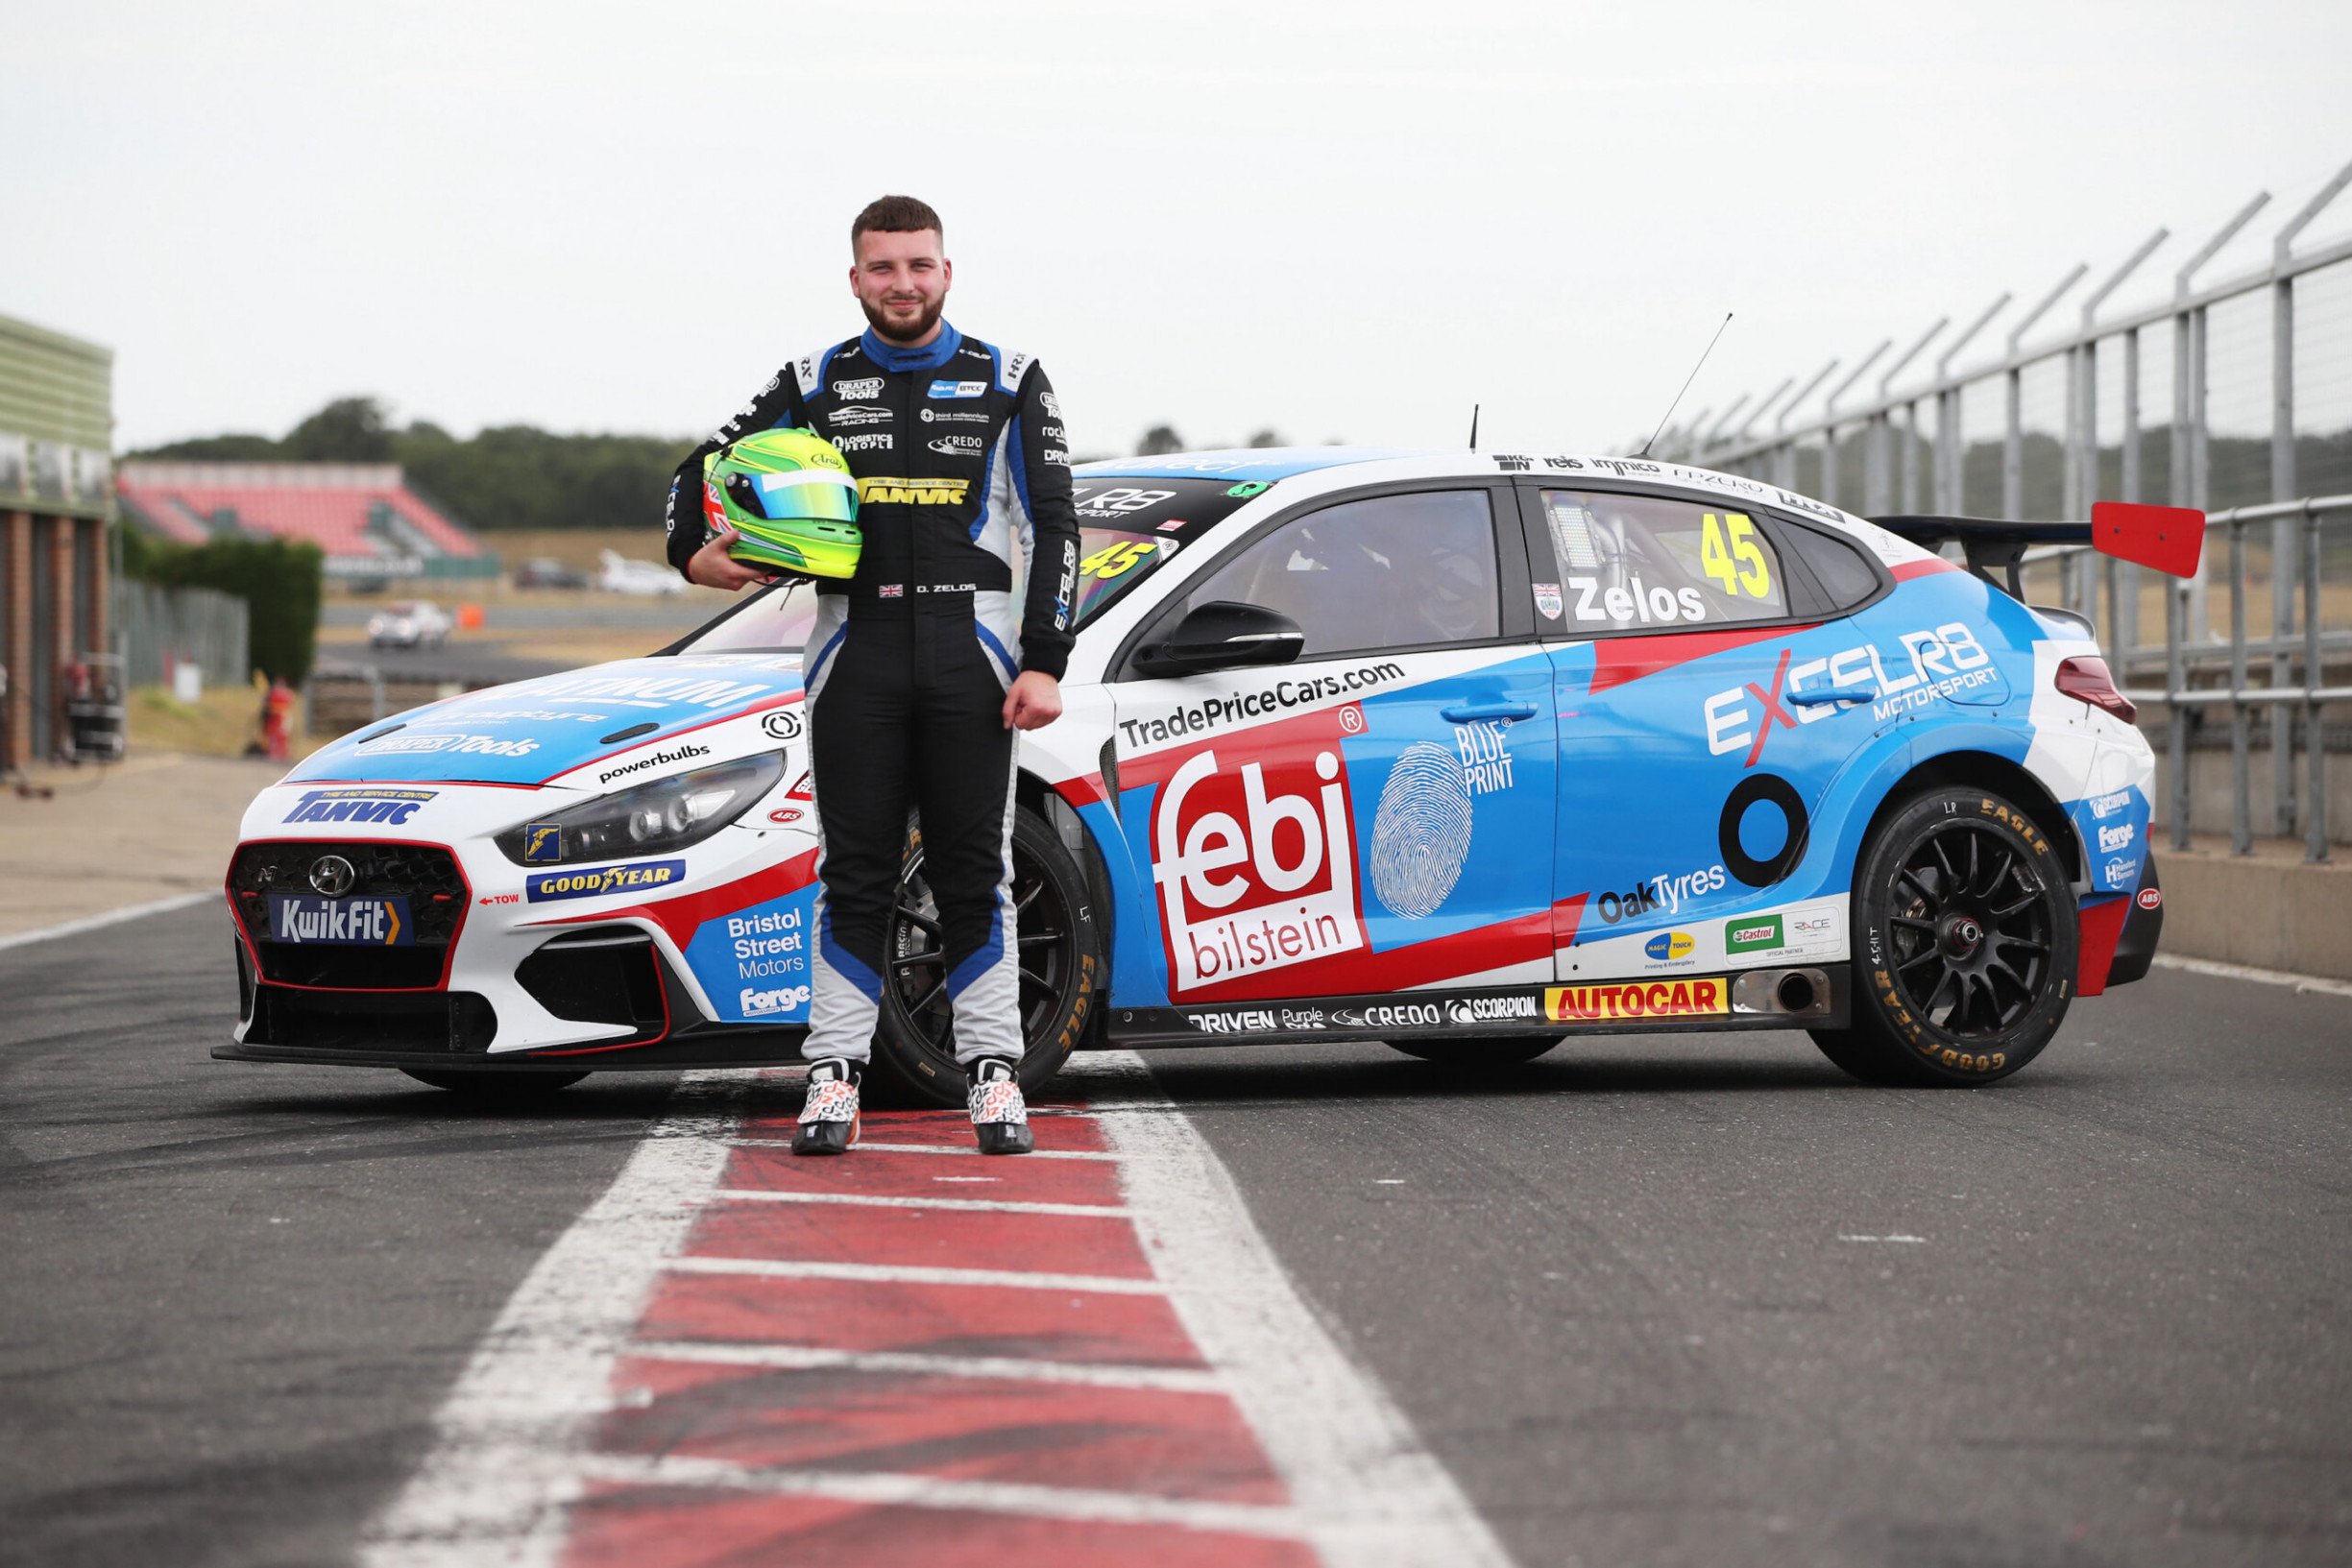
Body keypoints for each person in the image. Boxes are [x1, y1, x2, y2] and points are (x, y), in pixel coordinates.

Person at [665, 194, 1079, 1157]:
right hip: (852, 645)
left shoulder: (1009, 377)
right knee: (854, 871)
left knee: (978, 869)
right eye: (883, 268)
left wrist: (1045, 659)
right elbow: (699, 469)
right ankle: (833, 1077)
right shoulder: (813, 378)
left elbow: (1056, 523)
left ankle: (992, 1075)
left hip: (971, 646)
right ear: (855, 278)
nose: (903, 284)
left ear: (947, 271)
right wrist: (693, 554)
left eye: (919, 265)